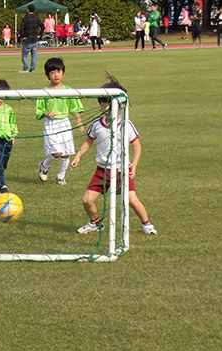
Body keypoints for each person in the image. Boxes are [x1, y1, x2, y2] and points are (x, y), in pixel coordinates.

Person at [70, 74, 157, 236]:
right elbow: (88, 142)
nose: (106, 109)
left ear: (119, 105)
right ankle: (95, 223)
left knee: (131, 200)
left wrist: (134, 164)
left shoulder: (125, 124)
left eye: (110, 105)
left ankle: (147, 224)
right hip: (102, 171)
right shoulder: (96, 124)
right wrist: (78, 156)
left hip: (120, 171)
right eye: (103, 105)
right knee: (86, 200)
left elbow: (137, 145)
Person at [36, 57, 83, 186]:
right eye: (52, 72)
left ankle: (61, 176)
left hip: (64, 122)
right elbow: (39, 110)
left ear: (63, 72)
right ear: (47, 75)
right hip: (51, 124)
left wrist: (78, 120)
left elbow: (74, 107)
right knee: (57, 152)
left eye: (58, 71)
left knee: (66, 153)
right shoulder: (44, 92)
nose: (56, 75)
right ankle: (44, 165)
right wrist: (46, 113)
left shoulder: (68, 90)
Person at [19, 4, 44, 73]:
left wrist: (22, 36)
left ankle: (26, 68)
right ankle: (32, 69)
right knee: (34, 55)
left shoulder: (26, 18)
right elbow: (43, 27)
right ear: (34, 10)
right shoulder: (37, 18)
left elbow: (22, 29)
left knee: (24, 54)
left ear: (28, 10)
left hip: (28, 39)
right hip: (35, 39)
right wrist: (40, 35)